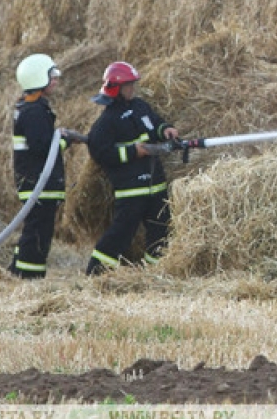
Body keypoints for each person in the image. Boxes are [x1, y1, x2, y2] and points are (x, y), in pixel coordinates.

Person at [84, 61, 180, 275]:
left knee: (161, 231)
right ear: (116, 89)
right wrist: (132, 152)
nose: (132, 88)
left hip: (156, 186)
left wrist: (165, 129)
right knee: (121, 233)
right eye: (128, 85)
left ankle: (155, 273)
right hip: (131, 190)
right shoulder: (106, 121)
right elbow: (100, 152)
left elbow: (154, 123)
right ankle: (96, 273)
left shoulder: (140, 107)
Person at [9, 53, 86, 279]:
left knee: (33, 229)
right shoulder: (34, 111)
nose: (56, 80)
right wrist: (64, 141)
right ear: (37, 78)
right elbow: (42, 147)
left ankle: (18, 271)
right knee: (38, 232)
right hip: (38, 182)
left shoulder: (30, 107)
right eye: (52, 76)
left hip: (35, 181)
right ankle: (29, 277)